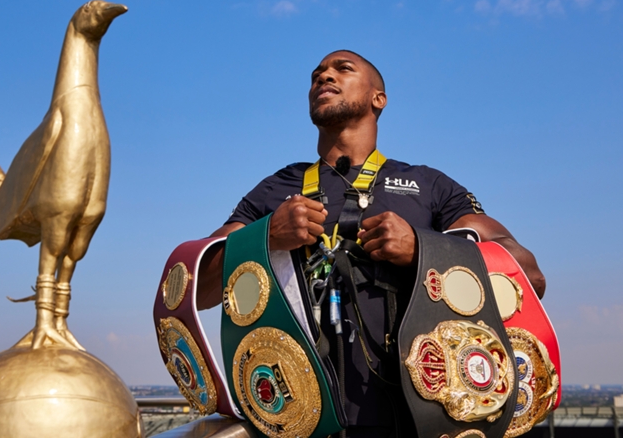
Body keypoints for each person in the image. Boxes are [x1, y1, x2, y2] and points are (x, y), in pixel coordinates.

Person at [197, 50, 546, 437]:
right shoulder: (277, 188)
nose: (324, 76)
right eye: (317, 74)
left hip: (416, 420)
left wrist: (423, 250)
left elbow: (528, 276)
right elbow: (199, 288)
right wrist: (264, 237)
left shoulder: (429, 185)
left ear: (378, 98)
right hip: (299, 420)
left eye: (342, 68)